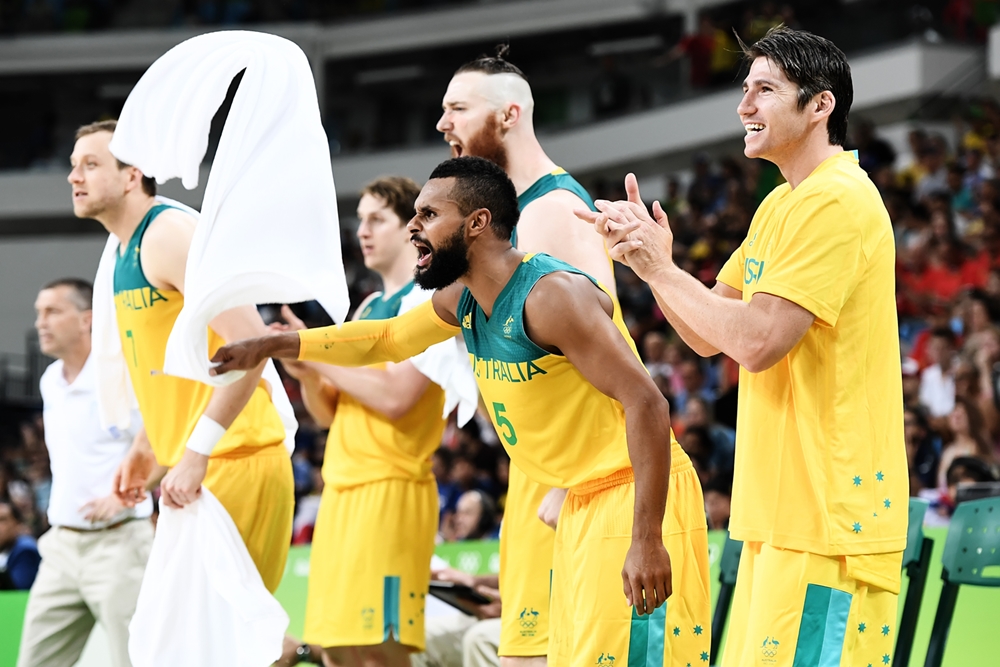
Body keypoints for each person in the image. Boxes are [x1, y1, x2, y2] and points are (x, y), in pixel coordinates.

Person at [211, 157, 712, 667]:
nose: (413, 226)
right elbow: (387, 338)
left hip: (633, 493)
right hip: (581, 500)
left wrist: (647, 538)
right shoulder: (463, 298)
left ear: (477, 224)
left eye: (428, 214)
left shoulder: (551, 296)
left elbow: (648, 403)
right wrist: (275, 345)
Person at [584, 27, 908, 666]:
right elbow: (706, 336)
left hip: (829, 523)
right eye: (744, 90)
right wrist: (656, 265)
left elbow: (757, 344)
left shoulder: (836, 199)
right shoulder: (780, 207)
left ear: (820, 106)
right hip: (780, 517)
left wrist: (661, 271)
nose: (744, 106)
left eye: (765, 89)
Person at [436, 48, 615, 666]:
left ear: (510, 114)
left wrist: (574, 484)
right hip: (536, 465)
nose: (443, 124)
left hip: (567, 475)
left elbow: (609, 349)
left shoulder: (550, 210)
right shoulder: (514, 212)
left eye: (457, 108)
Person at [67, 120, 294, 594]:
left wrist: (195, 454)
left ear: (133, 174)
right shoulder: (123, 250)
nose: (74, 177)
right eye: (73, 166)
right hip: (201, 462)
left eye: (90, 164)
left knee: (223, 646)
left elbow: (250, 346)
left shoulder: (169, 234)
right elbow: (172, 368)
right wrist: (147, 444)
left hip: (236, 457)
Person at [275, 176, 458, 667]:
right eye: (360, 220)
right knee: (336, 647)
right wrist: (306, 371)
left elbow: (397, 397)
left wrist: (312, 353)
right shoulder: (367, 308)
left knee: (380, 646)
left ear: (410, 229)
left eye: (377, 218)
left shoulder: (429, 301)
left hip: (392, 488)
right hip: (342, 488)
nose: (363, 231)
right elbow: (328, 412)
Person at [17, 278, 154, 667]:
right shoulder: (50, 382)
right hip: (61, 545)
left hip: (120, 542)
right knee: (34, 662)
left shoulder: (124, 375)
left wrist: (121, 496)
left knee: (136, 660)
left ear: (87, 319)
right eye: (38, 313)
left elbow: (161, 440)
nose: (41, 322)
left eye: (53, 311)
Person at [0, 500, 40, 591]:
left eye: (2, 520)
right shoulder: (4, 549)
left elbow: (17, 592)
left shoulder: (26, 551)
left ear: (17, 524)